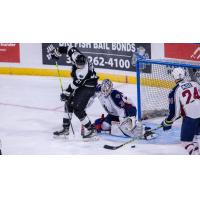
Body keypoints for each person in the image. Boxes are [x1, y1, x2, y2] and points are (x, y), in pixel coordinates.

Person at [49, 44, 99, 139]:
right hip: (82, 84)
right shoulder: (75, 54)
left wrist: (66, 93)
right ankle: (65, 129)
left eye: (82, 65)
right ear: (75, 61)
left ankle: (92, 130)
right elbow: (67, 48)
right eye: (78, 65)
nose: (80, 66)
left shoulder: (83, 72)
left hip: (89, 86)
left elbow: (75, 85)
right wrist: (57, 52)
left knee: (78, 109)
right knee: (68, 102)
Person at [161, 67, 200, 155]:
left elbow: (174, 113)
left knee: (185, 142)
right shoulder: (194, 83)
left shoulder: (174, 91)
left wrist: (167, 122)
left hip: (190, 117)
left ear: (174, 77)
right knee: (195, 137)